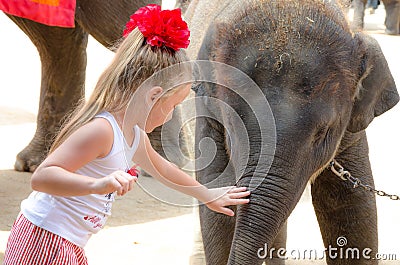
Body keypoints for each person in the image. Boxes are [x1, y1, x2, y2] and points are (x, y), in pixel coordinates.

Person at [3, 4, 250, 265]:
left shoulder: (133, 134)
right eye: (173, 106)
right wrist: (96, 186)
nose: (171, 115)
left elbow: (163, 169)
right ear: (154, 95)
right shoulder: (102, 130)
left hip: (69, 240)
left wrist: (207, 194)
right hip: (45, 239)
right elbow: (42, 177)